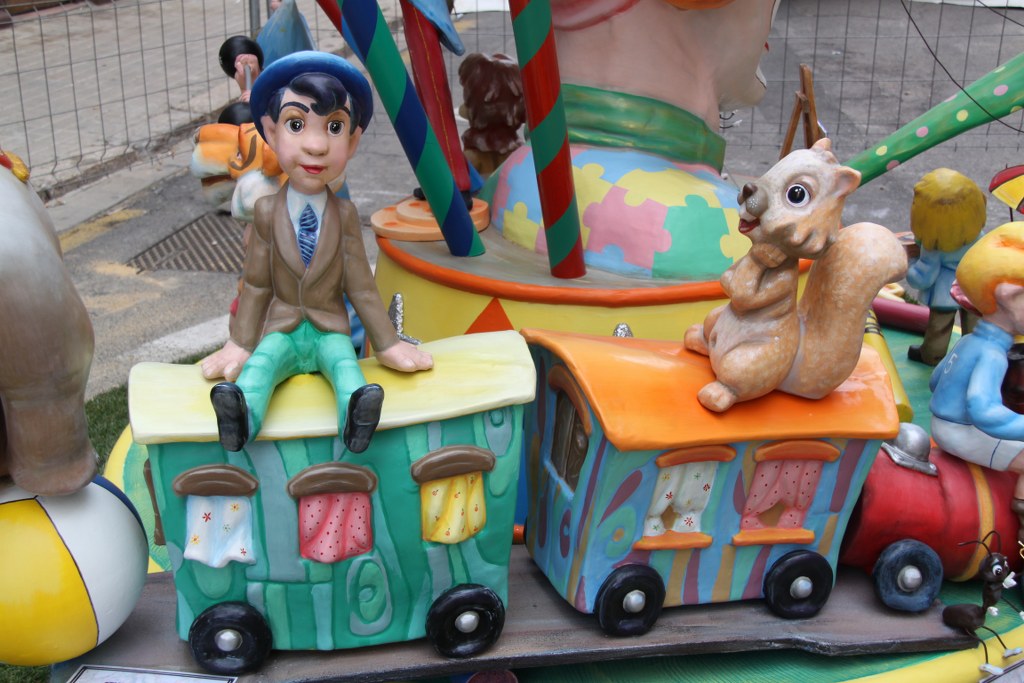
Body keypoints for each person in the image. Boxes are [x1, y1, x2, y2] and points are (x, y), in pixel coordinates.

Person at [201, 51, 432, 454]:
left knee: (346, 369)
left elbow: (361, 286)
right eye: (296, 124)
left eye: (335, 127)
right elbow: (257, 284)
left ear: (353, 141)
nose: (315, 144)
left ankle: (356, 417)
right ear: (271, 132)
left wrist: (387, 343)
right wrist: (240, 343)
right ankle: (240, 417)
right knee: (261, 365)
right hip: (283, 328)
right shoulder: (266, 212)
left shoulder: (344, 215)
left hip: (329, 330)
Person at [929, 222, 1024, 532]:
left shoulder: (969, 340)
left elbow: (935, 380)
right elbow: (984, 411)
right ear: (1010, 296)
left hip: (940, 424)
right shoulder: (992, 354)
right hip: (961, 433)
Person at [906, 168, 986, 365]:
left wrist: (910, 264)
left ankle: (933, 355)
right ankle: (972, 356)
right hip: (973, 288)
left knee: (939, 328)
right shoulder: (977, 235)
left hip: (945, 293)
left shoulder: (934, 247)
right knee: (974, 327)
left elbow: (923, 277)